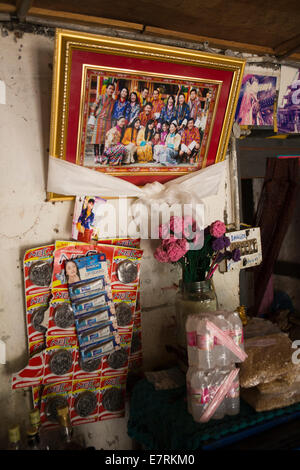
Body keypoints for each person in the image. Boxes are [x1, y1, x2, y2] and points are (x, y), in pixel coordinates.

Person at [89, 83, 115, 164]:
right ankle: (96, 156)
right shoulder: (101, 97)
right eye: (110, 88)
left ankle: (102, 155)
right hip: (99, 119)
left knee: (104, 139)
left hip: (108, 121)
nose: (111, 90)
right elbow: (93, 107)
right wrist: (92, 119)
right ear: (106, 89)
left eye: (112, 89)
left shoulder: (113, 100)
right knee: (97, 139)